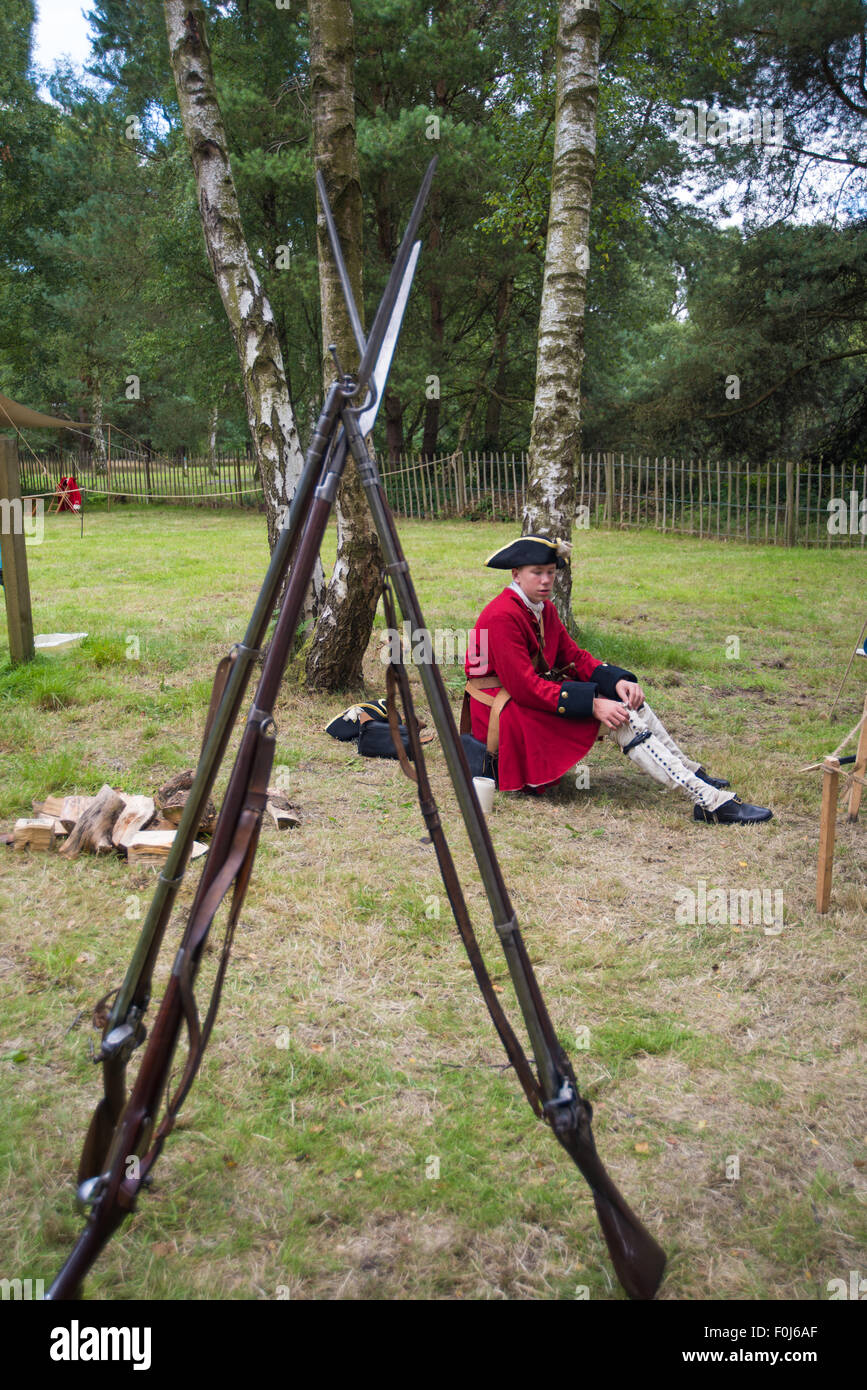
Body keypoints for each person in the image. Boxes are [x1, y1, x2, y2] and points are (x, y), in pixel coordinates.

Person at [463, 534, 773, 824]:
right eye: (536, 572)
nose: (545, 580)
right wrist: (594, 705)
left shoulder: (543, 609)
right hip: (502, 712)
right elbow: (524, 688)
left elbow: (574, 657)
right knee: (621, 718)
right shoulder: (503, 615)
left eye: (550, 571)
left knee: (627, 702)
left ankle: (693, 774)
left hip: (524, 699)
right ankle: (709, 801)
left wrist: (617, 681)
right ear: (516, 574)